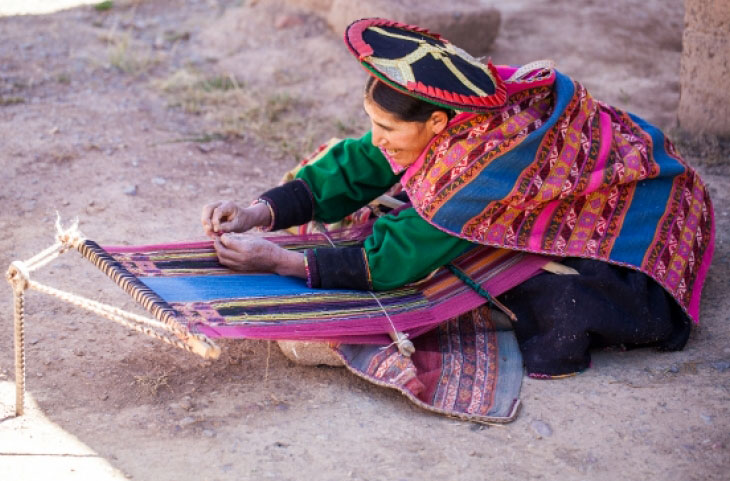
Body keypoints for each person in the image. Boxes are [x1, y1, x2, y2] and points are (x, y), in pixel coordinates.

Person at [201, 19, 714, 378]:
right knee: (410, 201)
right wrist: (258, 211)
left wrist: (281, 261)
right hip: (585, 176)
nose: (376, 137)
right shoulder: (449, 104)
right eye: (372, 122)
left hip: (641, 221)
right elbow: (365, 159)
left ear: (440, 124)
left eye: (386, 128)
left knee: (542, 293)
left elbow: (393, 261)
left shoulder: (479, 168)